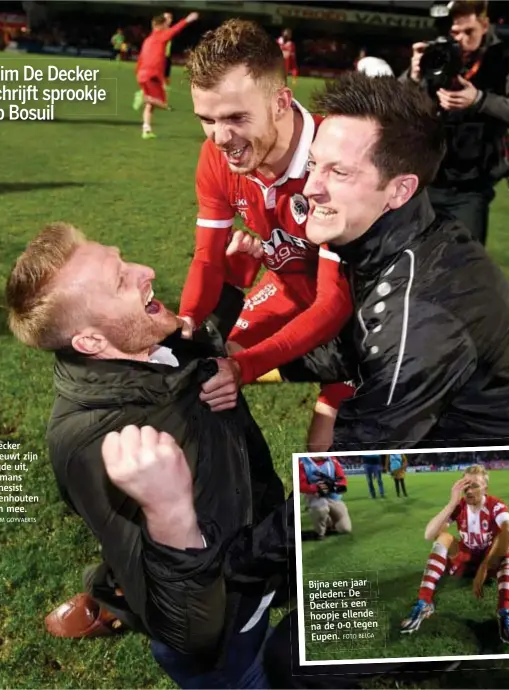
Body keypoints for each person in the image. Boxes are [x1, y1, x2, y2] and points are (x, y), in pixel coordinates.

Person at [5, 223, 294, 689]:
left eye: (124, 261)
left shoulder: (145, 346)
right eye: (121, 280)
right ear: (91, 342)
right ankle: (113, 602)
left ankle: (109, 598)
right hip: (221, 633)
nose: (147, 270)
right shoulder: (92, 447)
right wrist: (171, 516)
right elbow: (186, 630)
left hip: (253, 572)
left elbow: (194, 348)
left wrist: (230, 287)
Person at [298, 71, 509, 448]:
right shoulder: (406, 238)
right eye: (312, 164)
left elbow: (353, 466)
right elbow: (354, 344)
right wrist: (236, 356)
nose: (310, 188)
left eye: (338, 172)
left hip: (498, 483)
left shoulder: (421, 307)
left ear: (400, 189)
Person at [179, 19, 354, 449]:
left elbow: (333, 303)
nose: (221, 138)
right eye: (207, 119)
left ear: (281, 101)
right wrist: (186, 325)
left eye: (237, 118)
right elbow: (205, 259)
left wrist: (247, 368)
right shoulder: (216, 158)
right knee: (203, 370)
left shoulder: (334, 160)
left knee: (330, 427)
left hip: (358, 309)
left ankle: (318, 509)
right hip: (287, 287)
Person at [405, 0, 509, 245]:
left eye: (469, 32)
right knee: (411, 261)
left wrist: (479, 100)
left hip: (470, 189)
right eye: (454, 32)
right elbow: (393, 108)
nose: (460, 39)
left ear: (484, 24)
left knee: (463, 267)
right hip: (423, 179)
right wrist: (412, 77)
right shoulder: (436, 54)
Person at [400, 465, 509, 644]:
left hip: (489, 564)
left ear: (485, 488)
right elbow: (429, 534)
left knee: (507, 548)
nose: (469, 491)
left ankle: (504, 611)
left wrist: (485, 566)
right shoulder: (459, 506)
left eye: (475, 486)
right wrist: (452, 502)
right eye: (466, 485)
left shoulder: (495, 506)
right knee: (443, 537)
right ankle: (424, 603)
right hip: (465, 561)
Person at [133, 12, 199, 138]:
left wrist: (137, 73)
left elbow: (141, 58)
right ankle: (144, 97)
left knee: (150, 106)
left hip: (142, 74)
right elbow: (176, 29)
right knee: (162, 103)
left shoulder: (148, 40)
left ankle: (146, 130)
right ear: (163, 25)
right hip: (152, 74)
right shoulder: (162, 36)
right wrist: (188, 19)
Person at [298, 456, 351, 539]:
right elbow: (300, 485)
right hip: (315, 496)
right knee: (321, 508)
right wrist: (317, 487)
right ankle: (319, 533)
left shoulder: (332, 459)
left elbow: (343, 480)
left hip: (333, 497)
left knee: (345, 529)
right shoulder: (302, 462)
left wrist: (334, 485)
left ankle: (329, 524)